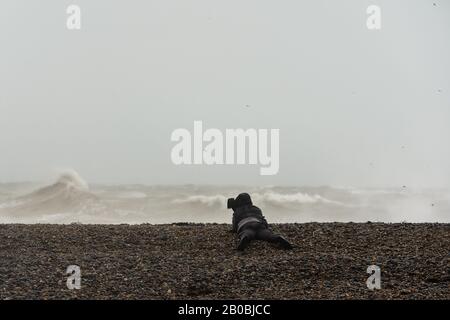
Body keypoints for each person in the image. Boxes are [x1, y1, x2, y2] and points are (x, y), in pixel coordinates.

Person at [228, 193, 293, 251]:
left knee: (247, 233)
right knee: (267, 235)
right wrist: (266, 227)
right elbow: (263, 219)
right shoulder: (256, 209)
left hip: (245, 225)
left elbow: (235, 224)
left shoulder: (237, 211)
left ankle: (245, 237)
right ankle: (277, 238)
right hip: (258, 223)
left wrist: (234, 229)